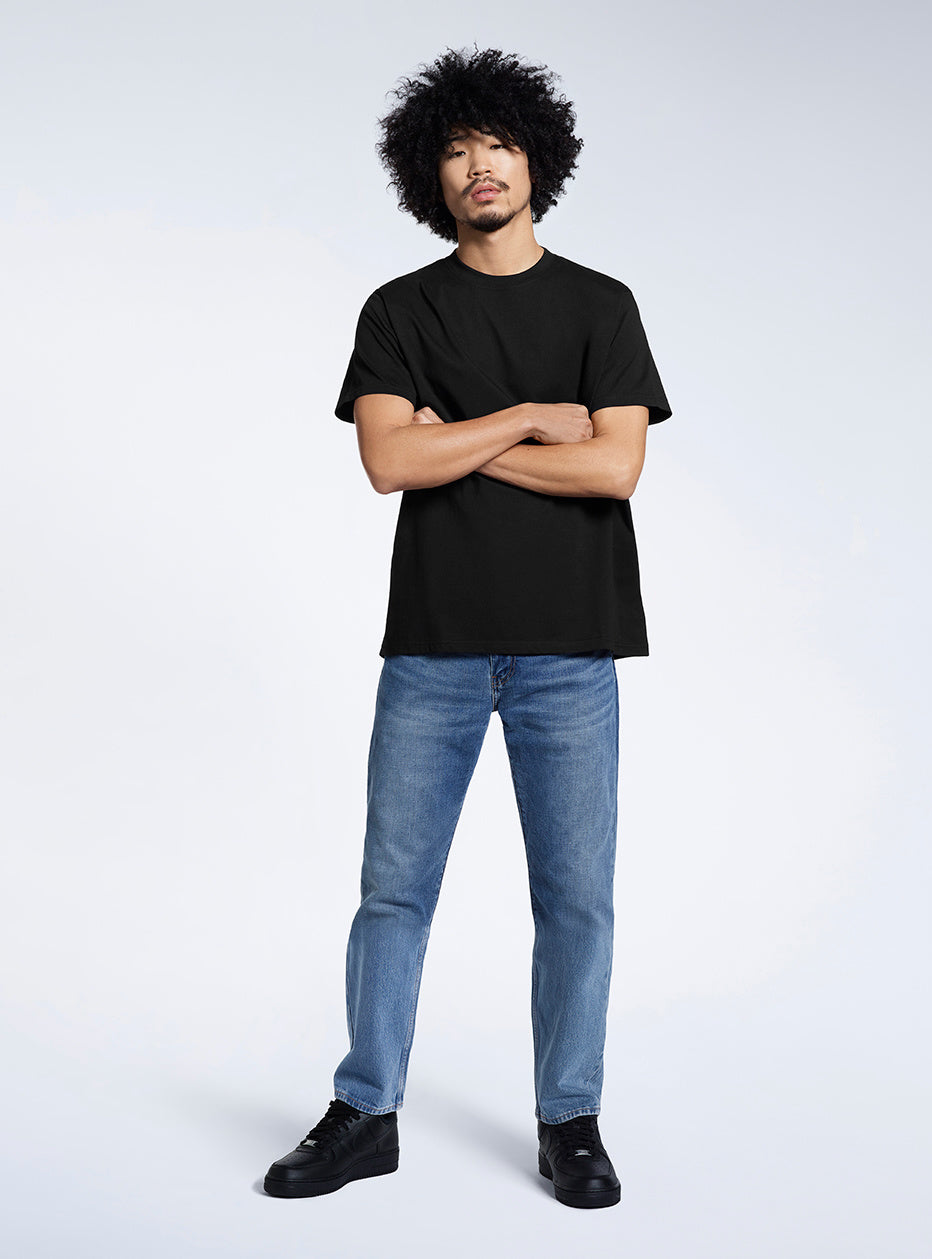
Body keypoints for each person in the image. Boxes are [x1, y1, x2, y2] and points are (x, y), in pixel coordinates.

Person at [264, 46, 670, 1211]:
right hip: (433, 647)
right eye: (452, 149)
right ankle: (364, 1110)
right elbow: (390, 460)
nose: (476, 165)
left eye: (493, 142)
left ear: (534, 155)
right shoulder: (398, 310)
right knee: (393, 889)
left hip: (569, 648)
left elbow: (616, 470)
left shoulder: (601, 305)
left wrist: (474, 438)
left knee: (575, 897)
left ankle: (570, 1119)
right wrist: (536, 421)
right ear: (426, 175)